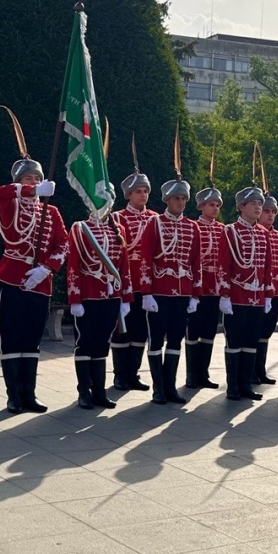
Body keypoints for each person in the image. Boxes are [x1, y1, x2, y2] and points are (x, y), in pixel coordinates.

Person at [0, 107, 69, 414]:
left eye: (37, 178)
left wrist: (47, 268)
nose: (34, 182)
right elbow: (2, 193)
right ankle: (13, 395)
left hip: (40, 281)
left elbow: (63, 244)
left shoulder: (51, 212)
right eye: (27, 178)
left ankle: (30, 393)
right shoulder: (10, 204)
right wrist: (30, 189)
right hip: (13, 276)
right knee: (12, 337)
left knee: (32, 338)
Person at [139, 177, 201, 405]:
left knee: (176, 340)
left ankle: (170, 386)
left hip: (182, 293)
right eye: (177, 198)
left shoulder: (192, 226)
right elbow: (145, 258)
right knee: (156, 341)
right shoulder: (154, 223)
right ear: (167, 199)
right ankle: (158, 388)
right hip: (159, 292)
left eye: (184, 198)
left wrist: (195, 294)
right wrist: (146, 292)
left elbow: (196, 263)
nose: (181, 202)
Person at [66, 206, 132, 410]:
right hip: (88, 294)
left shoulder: (118, 229)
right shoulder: (80, 228)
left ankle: (99, 391)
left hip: (111, 295)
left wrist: (126, 297)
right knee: (85, 342)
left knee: (103, 343)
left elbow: (124, 265)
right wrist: (75, 297)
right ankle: (84, 392)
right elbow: (73, 264)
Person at [217, 185, 273, 401]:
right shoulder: (230, 231)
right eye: (254, 204)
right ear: (241, 207)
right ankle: (233, 386)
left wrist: (268, 295)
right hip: (237, 297)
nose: (258, 207)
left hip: (257, 298)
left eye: (260, 204)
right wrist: (224, 294)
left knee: (251, 341)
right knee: (235, 342)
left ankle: (246, 384)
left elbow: (267, 267)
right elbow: (224, 264)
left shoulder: (263, 233)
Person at [110, 168, 158, 392]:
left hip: (147, 285)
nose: (142, 195)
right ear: (128, 195)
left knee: (141, 332)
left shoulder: (155, 219)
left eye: (145, 191)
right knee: (121, 331)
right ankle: (119, 375)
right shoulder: (117, 218)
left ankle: (133, 374)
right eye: (138, 191)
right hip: (124, 283)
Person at [184, 184, 224, 390]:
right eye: (211, 204)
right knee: (193, 331)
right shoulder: (193, 227)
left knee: (209, 332)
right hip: (197, 288)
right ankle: (191, 375)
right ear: (201, 206)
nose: (215, 208)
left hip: (215, 289)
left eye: (217, 205)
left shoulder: (223, 230)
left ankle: (203, 373)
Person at [253, 192, 278, 385]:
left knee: (266, 332)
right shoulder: (253, 232)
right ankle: (250, 371)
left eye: (273, 211)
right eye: (266, 211)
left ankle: (260, 370)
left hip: (273, 290)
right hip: (256, 289)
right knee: (253, 332)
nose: (270, 215)